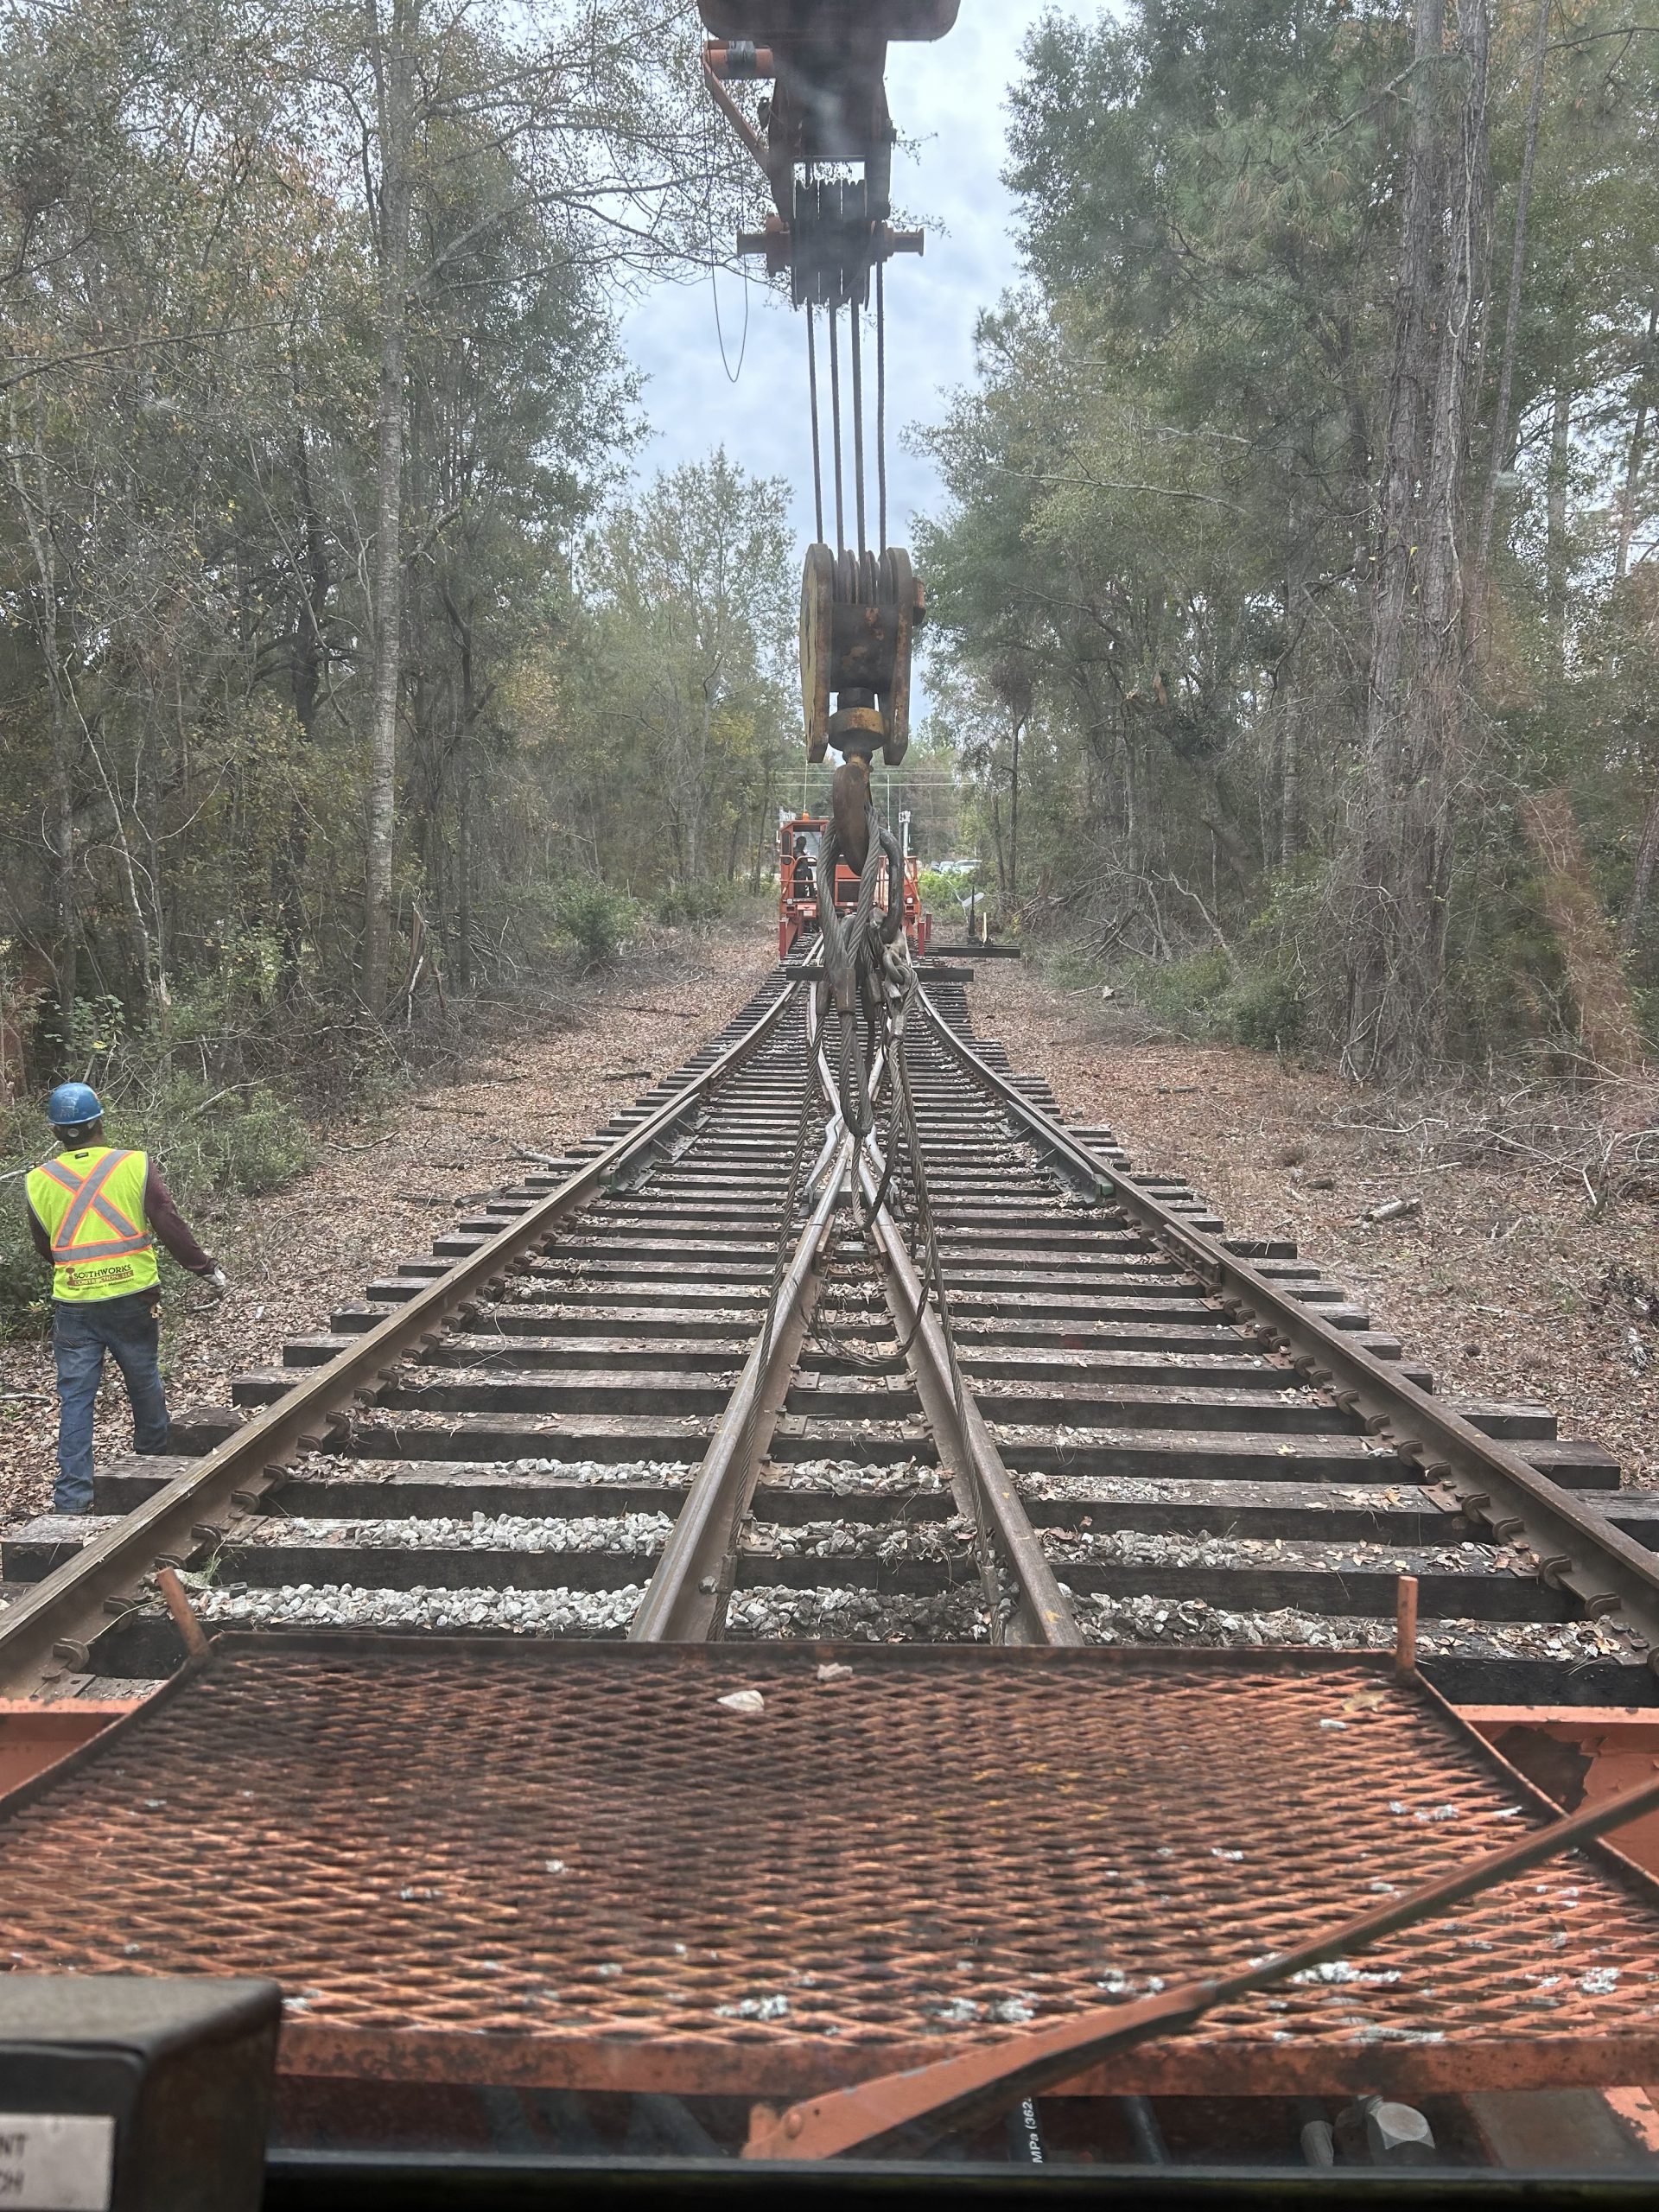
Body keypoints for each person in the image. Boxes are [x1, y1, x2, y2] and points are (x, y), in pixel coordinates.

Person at [23, 1084, 227, 1515]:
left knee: (76, 1399)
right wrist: (204, 1267)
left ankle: (72, 1499)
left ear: (58, 1132)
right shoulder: (134, 1164)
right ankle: (151, 1469)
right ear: (98, 1122)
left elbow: (47, 1248)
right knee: (143, 1380)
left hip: (75, 1303)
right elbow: (168, 1220)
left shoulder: (38, 1181)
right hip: (133, 1296)